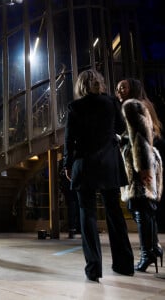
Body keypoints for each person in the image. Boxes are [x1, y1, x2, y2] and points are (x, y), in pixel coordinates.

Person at [64, 69, 134, 282]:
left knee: (88, 216)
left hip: (84, 165)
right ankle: (124, 265)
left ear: (80, 86)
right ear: (100, 84)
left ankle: (93, 269)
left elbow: (69, 140)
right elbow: (122, 128)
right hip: (109, 164)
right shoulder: (112, 103)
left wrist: (67, 164)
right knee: (115, 214)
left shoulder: (75, 107)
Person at [116, 78, 163, 272]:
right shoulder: (142, 105)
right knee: (145, 210)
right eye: (118, 87)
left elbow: (141, 138)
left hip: (139, 164)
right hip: (147, 161)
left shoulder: (131, 105)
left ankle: (148, 253)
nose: (119, 90)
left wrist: (142, 168)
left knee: (140, 209)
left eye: (123, 87)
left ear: (133, 89)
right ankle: (154, 248)